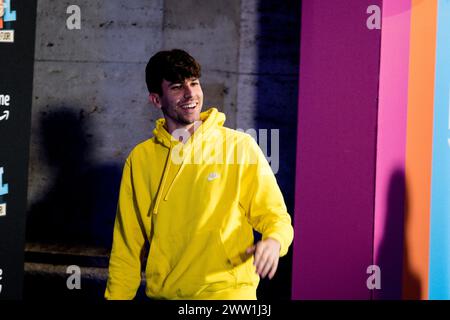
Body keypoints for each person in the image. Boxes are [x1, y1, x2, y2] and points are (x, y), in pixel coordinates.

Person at [105, 49, 294, 300]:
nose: (190, 93)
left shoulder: (238, 147)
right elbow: (127, 247)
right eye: (176, 87)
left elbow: (274, 215)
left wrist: (274, 241)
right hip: (166, 295)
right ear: (156, 100)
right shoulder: (140, 159)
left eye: (194, 83)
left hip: (228, 294)